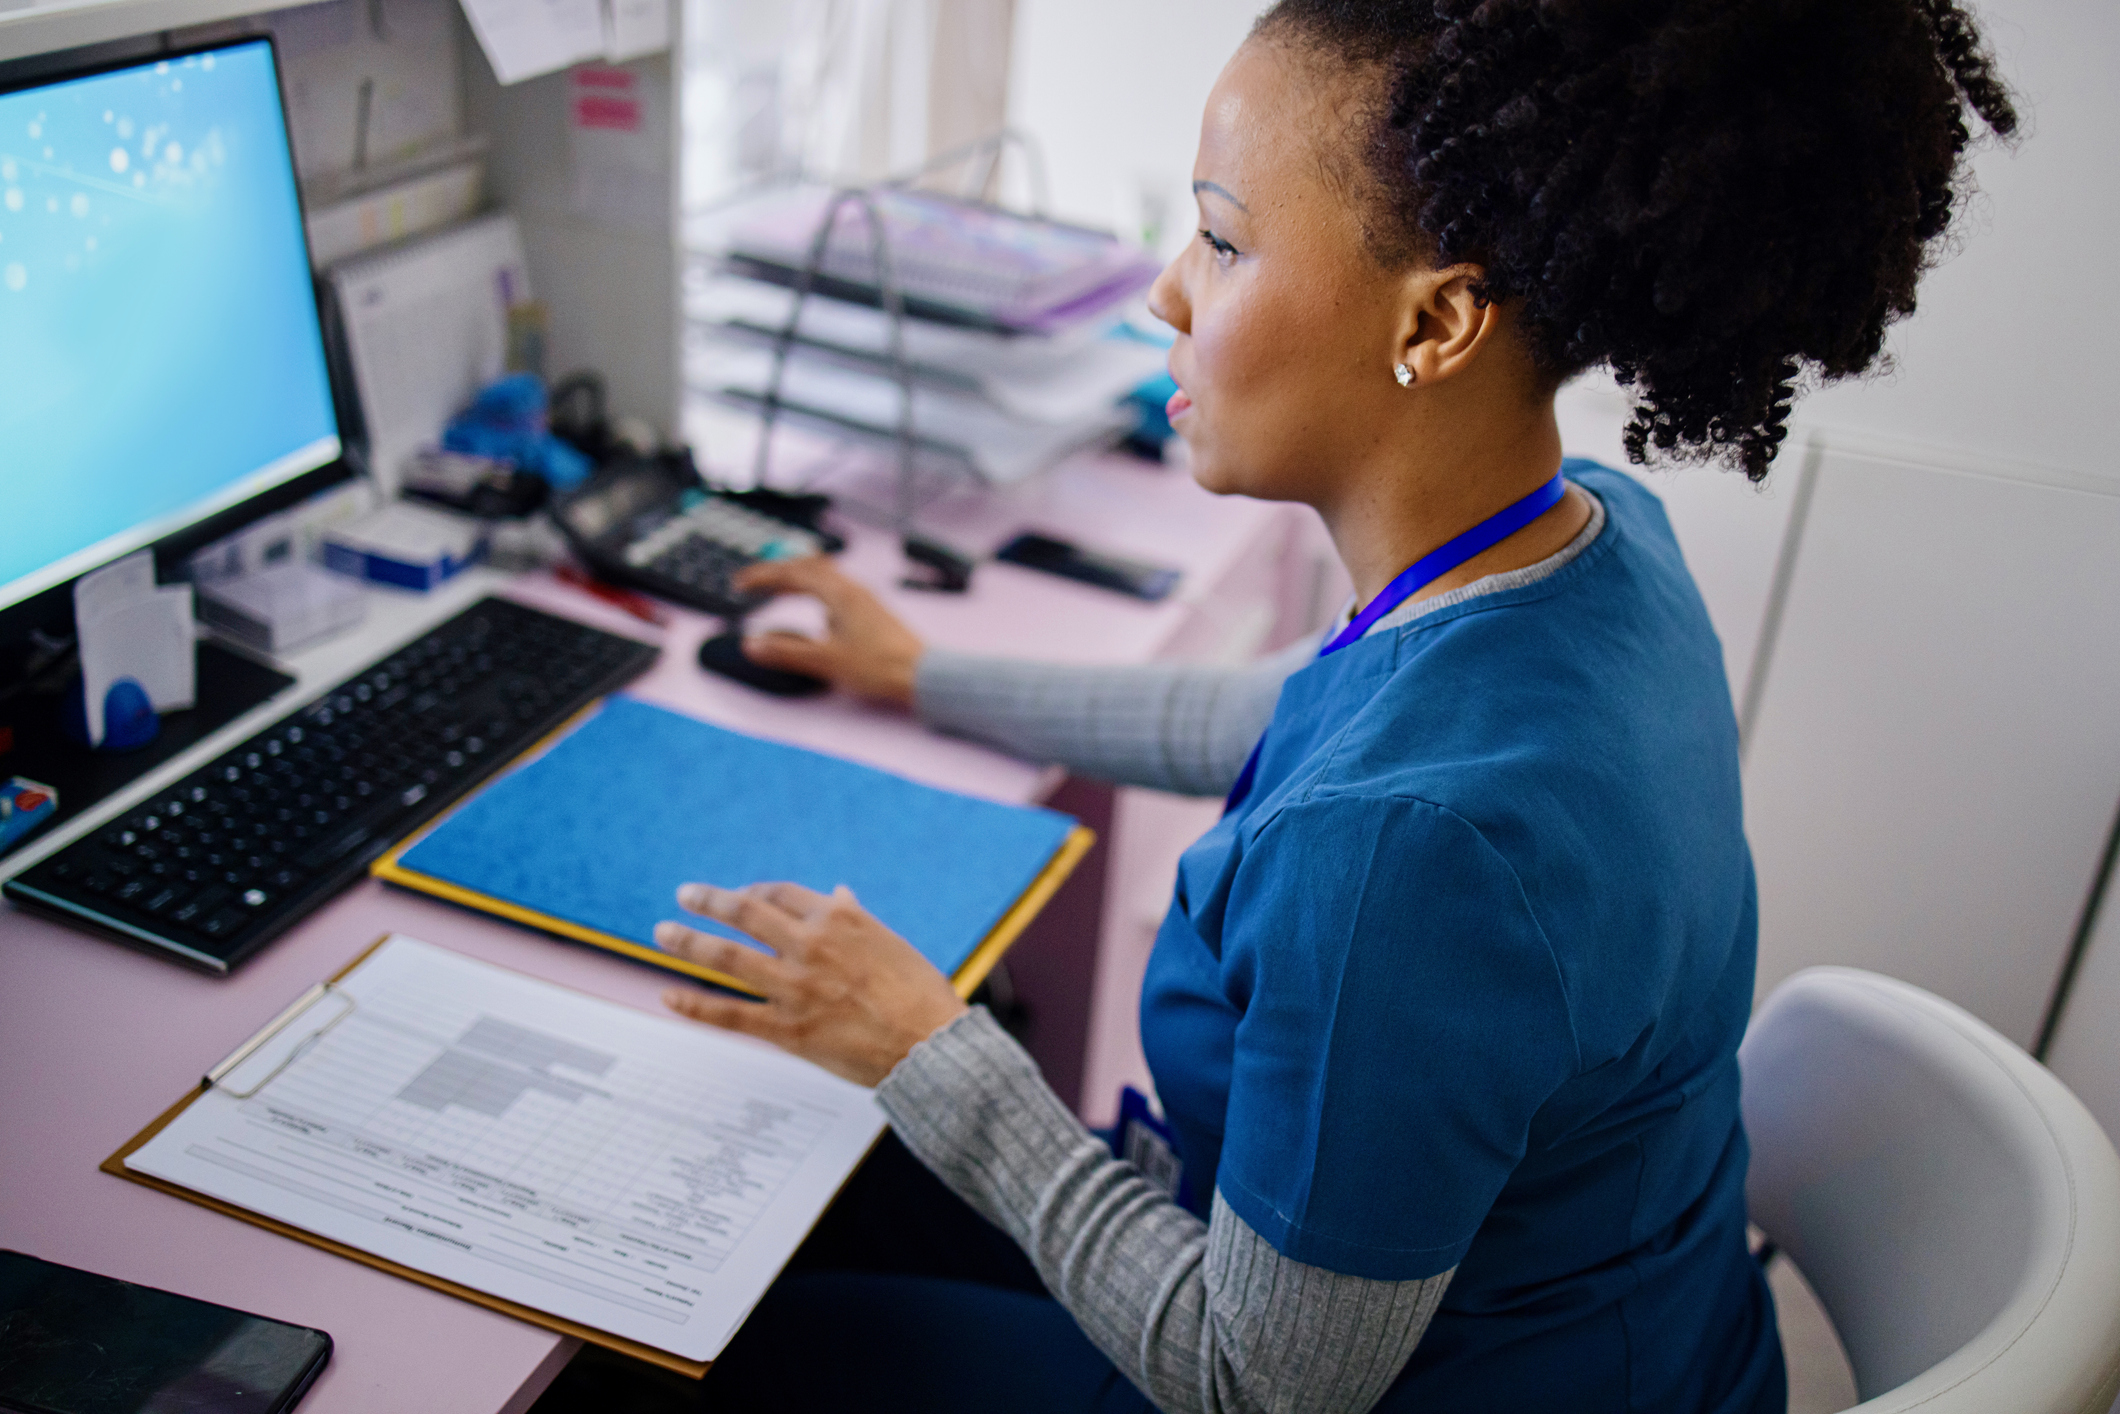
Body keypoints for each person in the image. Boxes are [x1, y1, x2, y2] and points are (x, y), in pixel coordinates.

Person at [648, 2, 2018, 1410]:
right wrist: (922, 675)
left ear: (1434, 321)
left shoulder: (1405, 854)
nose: (1168, 294)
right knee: (803, 1180)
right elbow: (1292, 714)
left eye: (1224, 242)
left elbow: (1254, 1381)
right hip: (1644, 1341)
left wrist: (931, 1044)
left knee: (705, 1335)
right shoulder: (1596, 545)